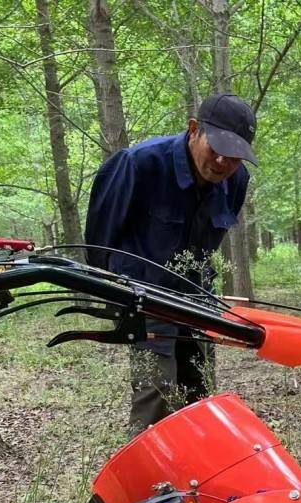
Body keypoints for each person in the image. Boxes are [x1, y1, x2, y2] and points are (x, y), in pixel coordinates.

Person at [84, 93, 257, 433]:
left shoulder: (236, 182)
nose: (222, 162)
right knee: (156, 392)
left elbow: (211, 243)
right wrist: (115, 297)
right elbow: (99, 237)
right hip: (145, 297)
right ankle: (147, 482)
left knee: (199, 390)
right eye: (216, 148)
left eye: (234, 156)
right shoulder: (139, 164)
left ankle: (195, 477)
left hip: (196, 299)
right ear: (194, 130)